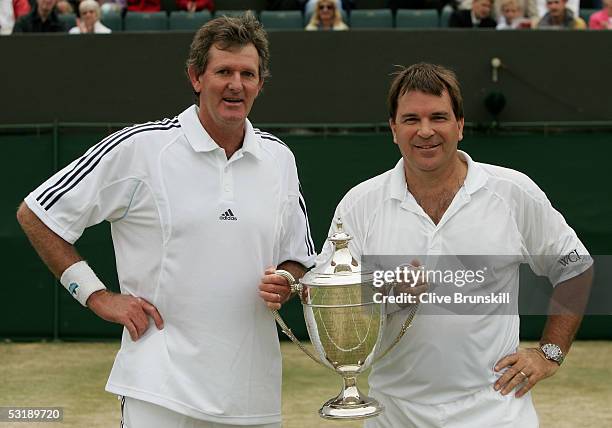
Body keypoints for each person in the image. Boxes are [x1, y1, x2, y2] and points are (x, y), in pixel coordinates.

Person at [16, 13, 315, 428]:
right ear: (196, 77)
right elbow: (36, 213)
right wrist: (96, 296)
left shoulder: (280, 158)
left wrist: (286, 279)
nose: (236, 85)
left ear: (261, 83)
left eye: (248, 74)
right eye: (223, 71)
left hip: (253, 397)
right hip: (158, 394)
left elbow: (298, 256)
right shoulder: (142, 147)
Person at [318, 63, 593, 427]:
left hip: (496, 411)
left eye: (439, 117)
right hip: (394, 414)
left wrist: (549, 354)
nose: (426, 131)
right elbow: (335, 305)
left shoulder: (512, 191)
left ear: (460, 126)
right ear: (393, 129)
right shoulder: (359, 204)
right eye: (411, 119)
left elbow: (576, 267)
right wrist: (389, 292)